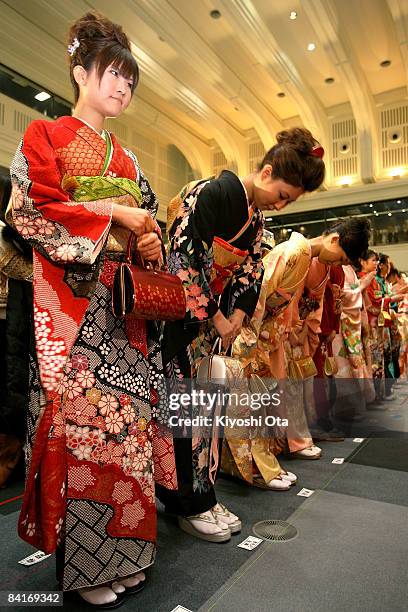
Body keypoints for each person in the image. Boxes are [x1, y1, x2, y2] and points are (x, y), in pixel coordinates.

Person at [8, 12, 176, 608]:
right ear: (80, 72)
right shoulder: (44, 137)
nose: (123, 88)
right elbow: (29, 211)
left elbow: (150, 228)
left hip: (122, 315)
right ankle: (86, 570)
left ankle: (128, 554)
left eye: (131, 80)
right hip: (76, 313)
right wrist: (116, 219)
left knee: (124, 437)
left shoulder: (128, 159)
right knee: (85, 438)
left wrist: (147, 238)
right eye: (113, 74)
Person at [156, 128, 325, 539]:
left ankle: (202, 494)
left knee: (205, 410)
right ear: (266, 172)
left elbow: (251, 271)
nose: (280, 204)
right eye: (283, 194)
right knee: (186, 407)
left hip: (208, 321)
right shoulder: (212, 193)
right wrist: (215, 315)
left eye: (289, 201)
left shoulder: (255, 218)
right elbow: (183, 257)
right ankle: (186, 500)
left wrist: (238, 314)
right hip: (177, 318)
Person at [229, 218, 370, 489]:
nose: (336, 265)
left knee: (266, 400)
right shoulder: (295, 252)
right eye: (339, 258)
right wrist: (255, 333)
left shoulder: (304, 256)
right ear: (334, 240)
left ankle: (263, 463)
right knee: (256, 402)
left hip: (272, 334)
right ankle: (258, 467)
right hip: (258, 333)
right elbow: (260, 294)